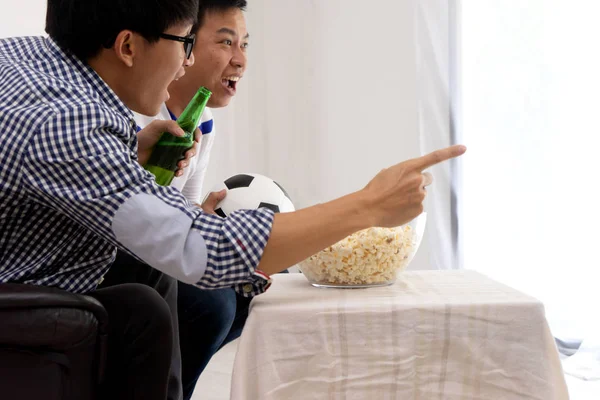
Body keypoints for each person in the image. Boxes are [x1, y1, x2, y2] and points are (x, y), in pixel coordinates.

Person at [0, 0, 466, 399]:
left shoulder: (27, 60)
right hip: (17, 294)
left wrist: (126, 154)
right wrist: (369, 205)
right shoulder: (68, 126)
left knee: (148, 293)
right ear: (127, 46)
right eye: (186, 42)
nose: (185, 62)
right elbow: (205, 249)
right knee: (149, 306)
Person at [125, 1, 256, 398]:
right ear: (185, 41)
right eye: (226, 42)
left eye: (245, 45)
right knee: (210, 303)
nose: (240, 61)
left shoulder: (202, 122)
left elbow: (187, 209)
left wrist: (209, 218)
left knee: (256, 287)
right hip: (129, 256)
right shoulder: (134, 116)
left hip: (157, 248)